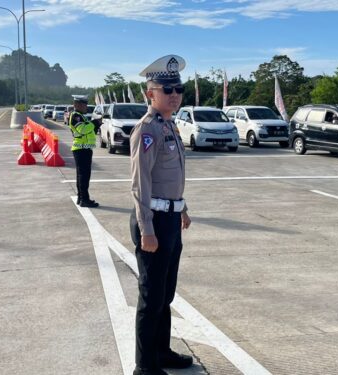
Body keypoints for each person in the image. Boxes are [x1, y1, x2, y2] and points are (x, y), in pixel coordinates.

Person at [130, 55, 193, 375]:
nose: (174, 94)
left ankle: (162, 352)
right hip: (153, 222)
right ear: (149, 94)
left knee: (165, 294)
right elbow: (140, 183)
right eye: (166, 88)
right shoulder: (147, 130)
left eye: (178, 88)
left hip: (170, 218)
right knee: (151, 297)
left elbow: (170, 176)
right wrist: (147, 230)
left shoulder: (170, 125)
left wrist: (183, 208)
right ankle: (145, 367)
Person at [69, 95, 101, 207]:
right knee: (84, 176)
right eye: (83, 104)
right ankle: (84, 199)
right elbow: (82, 129)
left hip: (84, 148)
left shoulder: (81, 116)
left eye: (86, 104)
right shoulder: (76, 116)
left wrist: (96, 124)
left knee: (81, 175)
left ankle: (81, 197)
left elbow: (89, 130)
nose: (85, 106)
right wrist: (94, 123)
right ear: (76, 105)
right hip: (81, 148)